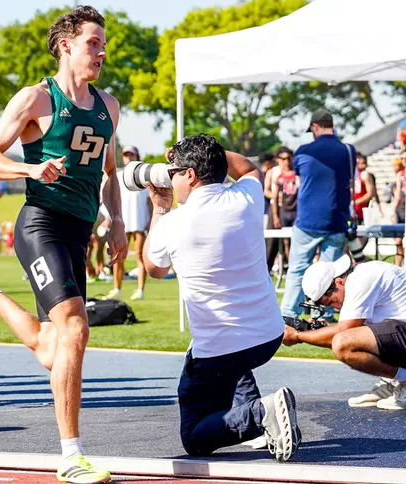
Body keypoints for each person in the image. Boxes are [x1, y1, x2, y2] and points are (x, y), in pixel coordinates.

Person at [0, 6, 127, 484]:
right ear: (66, 45)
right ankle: (71, 453)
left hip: (80, 230)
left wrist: (117, 219)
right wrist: (29, 169)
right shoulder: (38, 99)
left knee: (50, 347)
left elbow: (108, 172)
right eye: (93, 43)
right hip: (41, 223)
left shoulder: (109, 107)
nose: (101, 52)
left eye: (104, 44)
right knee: (76, 330)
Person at [143, 134, 299, 462]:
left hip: (219, 351)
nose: (170, 178)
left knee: (195, 437)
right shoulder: (246, 197)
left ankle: (261, 413)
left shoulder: (172, 223)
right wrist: (210, 154)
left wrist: (159, 210)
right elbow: (248, 168)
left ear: (190, 175)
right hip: (268, 337)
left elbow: (153, 269)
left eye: (173, 171)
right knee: (229, 353)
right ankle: (254, 411)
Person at [284, 254, 406, 410]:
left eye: (332, 301)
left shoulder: (360, 279)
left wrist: (298, 336)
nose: (335, 307)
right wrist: (318, 331)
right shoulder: (362, 273)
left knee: (342, 343)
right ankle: (394, 380)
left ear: (338, 282)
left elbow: (343, 335)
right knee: (345, 339)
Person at [280, 110, 353, 319]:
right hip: (337, 219)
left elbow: (301, 175)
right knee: (331, 274)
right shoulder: (348, 150)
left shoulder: (303, 151)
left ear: (314, 127)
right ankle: (323, 316)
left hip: (307, 220)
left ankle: (288, 314)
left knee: (297, 270)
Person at [108, 146, 151, 300]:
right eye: (126, 155)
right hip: (123, 223)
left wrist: (150, 221)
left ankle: (141, 290)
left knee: (140, 255)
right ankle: (117, 289)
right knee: (118, 257)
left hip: (140, 222)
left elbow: (149, 201)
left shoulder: (144, 176)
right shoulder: (118, 176)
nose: (128, 158)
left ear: (137, 156)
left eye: (131, 155)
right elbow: (113, 200)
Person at [267, 147, 298, 269]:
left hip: (291, 208)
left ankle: (289, 266)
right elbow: (266, 191)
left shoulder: (295, 173)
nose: (287, 161)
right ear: (278, 159)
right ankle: (269, 267)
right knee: (273, 241)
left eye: (289, 158)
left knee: (292, 241)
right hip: (277, 208)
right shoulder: (273, 172)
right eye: (283, 158)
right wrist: (278, 199)